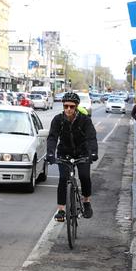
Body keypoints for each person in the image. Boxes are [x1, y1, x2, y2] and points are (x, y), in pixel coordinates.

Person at [46, 92, 98, 222]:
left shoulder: (84, 120)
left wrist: (93, 153)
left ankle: (86, 201)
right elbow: (52, 137)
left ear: (76, 107)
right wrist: (50, 153)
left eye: (72, 106)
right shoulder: (58, 120)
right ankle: (61, 210)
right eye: (66, 106)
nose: (68, 109)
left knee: (84, 176)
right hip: (64, 153)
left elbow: (91, 137)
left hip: (82, 152)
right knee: (63, 179)